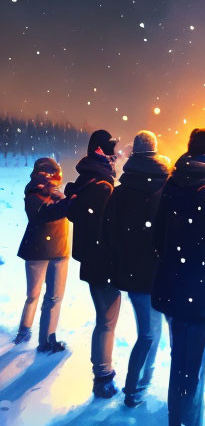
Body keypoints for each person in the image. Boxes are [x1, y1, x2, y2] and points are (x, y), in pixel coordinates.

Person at [152, 128, 205, 426]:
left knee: (179, 359)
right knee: (193, 366)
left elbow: (157, 237)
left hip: (173, 287)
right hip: (199, 294)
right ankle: (188, 420)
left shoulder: (172, 185)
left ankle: (176, 417)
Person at [101, 131, 171, 408]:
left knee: (149, 332)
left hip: (133, 272)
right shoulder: (167, 186)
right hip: (160, 269)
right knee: (152, 333)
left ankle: (138, 386)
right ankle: (136, 388)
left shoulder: (121, 191)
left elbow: (109, 233)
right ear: (154, 151)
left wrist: (122, 258)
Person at [65, 129, 121, 398]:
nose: (115, 157)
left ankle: (102, 371)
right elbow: (105, 230)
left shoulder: (87, 181)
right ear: (100, 151)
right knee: (107, 321)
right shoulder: (101, 186)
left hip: (92, 261)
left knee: (104, 319)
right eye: (110, 151)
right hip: (102, 264)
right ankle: (103, 375)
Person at [15, 158, 74, 353]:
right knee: (35, 295)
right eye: (55, 173)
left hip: (56, 249)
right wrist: (69, 203)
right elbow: (42, 214)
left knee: (53, 298)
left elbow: (58, 207)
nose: (58, 177)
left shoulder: (55, 190)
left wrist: (70, 200)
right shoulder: (33, 190)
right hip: (38, 250)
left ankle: (47, 340)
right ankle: (26, 330)